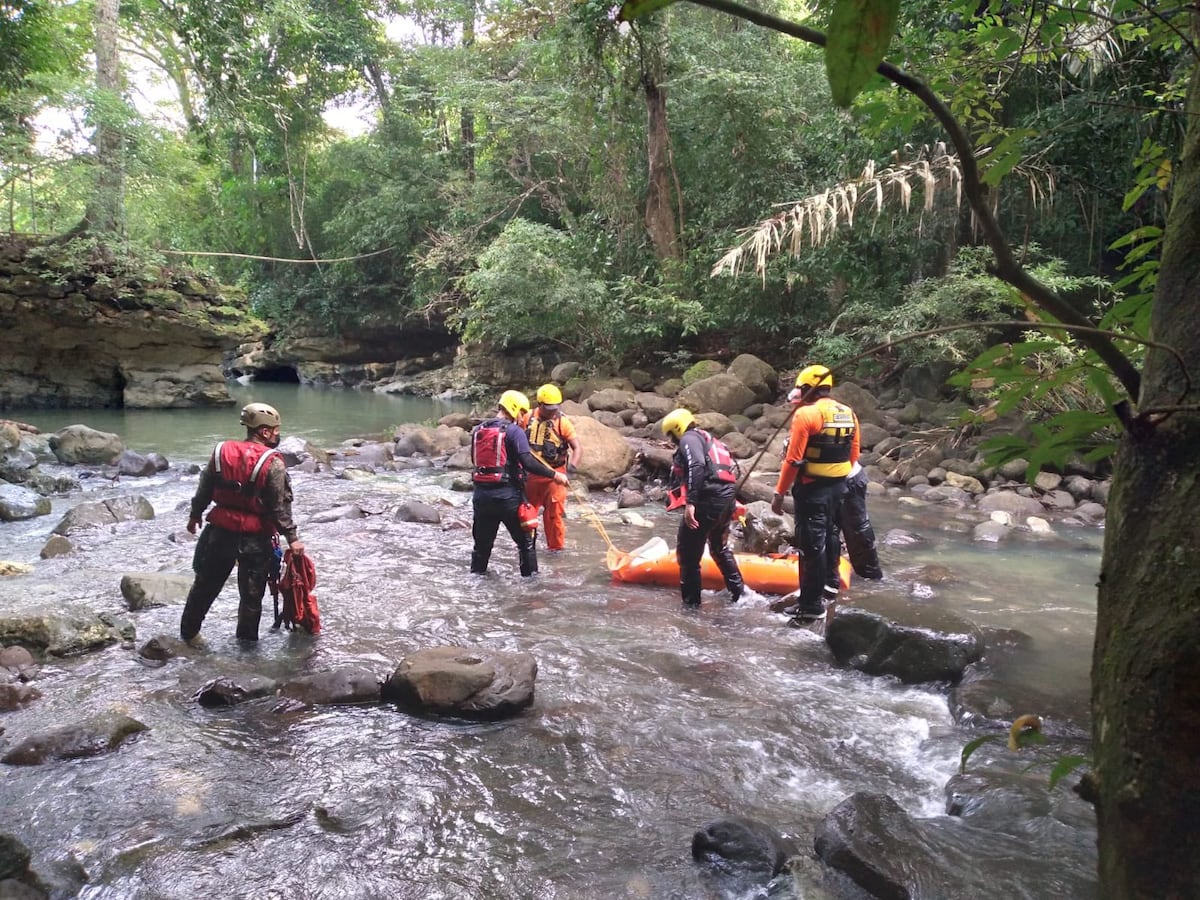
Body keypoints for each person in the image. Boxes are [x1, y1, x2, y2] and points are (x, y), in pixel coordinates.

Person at [180, 402, 305, 644]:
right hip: (255, 540)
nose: (278, 434)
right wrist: (293, 538)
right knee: (251, 597)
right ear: (265, 432)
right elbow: (278, 508)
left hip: (219, 533)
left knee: (204, 586)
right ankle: (246, 648)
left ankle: (188, 635)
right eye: (276, 430)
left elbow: (204, 488)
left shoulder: (220, 453)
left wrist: (195, 515)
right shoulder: (274, 463)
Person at [770, 365, 860, 622]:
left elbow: (793, 460)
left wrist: (779, 493)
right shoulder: (848, 412)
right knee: (832, 534)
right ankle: (830, 585)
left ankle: (810, 605)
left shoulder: (806, 414)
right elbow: (854, 454)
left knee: (811, 546)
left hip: (812, 489)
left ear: (808, 388)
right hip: (839, 487)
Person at [471, 389, 570, 577]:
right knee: (526, 543)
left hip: (481, 497)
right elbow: (528, 462)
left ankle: (477, 580)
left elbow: (475, 461)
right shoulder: (514, 431)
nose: (523, 416)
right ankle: (531, 586)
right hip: (508, 498)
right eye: (522, 412)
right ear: (515, 409)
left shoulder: (479, 430)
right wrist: (554, 475)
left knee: (481, 547)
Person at [661, 408, 744, 608]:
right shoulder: (710, 440)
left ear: (677, 429)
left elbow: (697, 465)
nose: (673, 440)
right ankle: (741, 595)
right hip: (726, 500)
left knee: (688, 557)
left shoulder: (689, 439)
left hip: (707, 501)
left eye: (672, 435)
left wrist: (691, 502)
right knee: (718, 548)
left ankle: (691, 607)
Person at [524, 383, 583, 551]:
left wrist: (571, 469)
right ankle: (528, 549)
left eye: (555, 408)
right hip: (531, 476)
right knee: (528, 516)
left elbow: (577, 448)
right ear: (539, 404)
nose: (552, 411)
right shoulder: (527, 418)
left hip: (555, 477)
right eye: (549, 408)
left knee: (554, 516)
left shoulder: (562, 423)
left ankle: (556, 550)